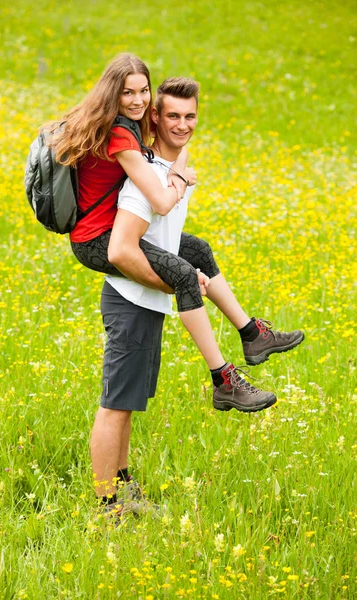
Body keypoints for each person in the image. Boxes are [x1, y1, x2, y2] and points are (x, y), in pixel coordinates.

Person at [91, 78, 304, 518]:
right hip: (129, 302)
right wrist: (177, 283)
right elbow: (122, 248)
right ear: (154, 118)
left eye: (190, 116)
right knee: (114, 406)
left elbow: (164, 237)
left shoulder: (168, 167)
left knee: (128, 404)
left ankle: (125, 493)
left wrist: (183, 273)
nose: (182, 125)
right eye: (172, 116)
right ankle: (107, 507)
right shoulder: (143, 180)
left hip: (145, 302)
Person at [51, 53, 303, 375]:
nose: (138, 99)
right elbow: (160, 201)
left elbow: (176, 144)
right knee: (184, 275)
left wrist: (178, 167)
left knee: (198, 250)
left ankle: (252, 335)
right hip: (94, 240)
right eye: (128, 92)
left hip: (110, 229)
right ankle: (223, 377)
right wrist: (180, 180)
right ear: (114, 93)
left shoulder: (131, 126)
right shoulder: (121, 136)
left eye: (143, 91)